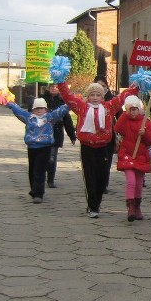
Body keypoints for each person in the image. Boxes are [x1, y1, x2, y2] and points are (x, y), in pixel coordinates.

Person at [58, 80, 137, 218]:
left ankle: (97, 201)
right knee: (90, 176)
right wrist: (60, 82)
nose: (95, 97)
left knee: (102, 178)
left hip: (103, 147)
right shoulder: (81, 107)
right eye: (92, 95)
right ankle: (92, 206)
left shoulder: (109, 107)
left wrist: (136, 87)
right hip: (87, 147)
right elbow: (68, 97)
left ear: (102, 97)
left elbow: (122, 97)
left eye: (98, 95)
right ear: (88, 96)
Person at [3, 96, 71, 204]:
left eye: (41, 108)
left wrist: (70, 103)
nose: (39, 110)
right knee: (32, 170)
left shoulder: (50, 118)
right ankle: (34, 190)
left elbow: (61, 111)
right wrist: (10, 104)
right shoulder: (28, 117)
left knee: (39, 170)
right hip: (32, 147)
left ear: (46, 109)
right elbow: (18, 111)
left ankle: (39, 194)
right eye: (36, 108)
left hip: (45, 148)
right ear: (32, 109)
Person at [114, 95, 151, 222]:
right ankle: (130, 207)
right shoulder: (125, 120)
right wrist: (124, 114)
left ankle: (137, 207)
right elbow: (118, 129)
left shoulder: (146, 122)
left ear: (139, 109)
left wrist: (145, 134)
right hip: (128, 155)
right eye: (129, 109)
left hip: (141, 156)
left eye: (134, 109)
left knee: (138, 184)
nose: (132, 112)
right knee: (131, 181)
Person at [41, 82, 76, 188]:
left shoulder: (62, 102)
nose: (54, 88)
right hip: (42, 133)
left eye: (56, 87)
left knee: (52, 157)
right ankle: (41, 177)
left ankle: (50, 179)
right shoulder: (42, 99)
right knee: (43, 157)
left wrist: (72, 135)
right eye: (52, 86)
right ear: (48, 88)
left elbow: (67, 120)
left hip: (56, 133)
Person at [95, 76, 117, 194]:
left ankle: (104, 184)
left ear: (107, 87)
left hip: (109, 136)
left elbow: (120, 115)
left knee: (106, 162)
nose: (101, 88)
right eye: (98, 86)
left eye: (103, 86)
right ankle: (94, 182)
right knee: (94, 163)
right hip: (92, 137)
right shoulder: (90, 99)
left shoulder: (111, 99)